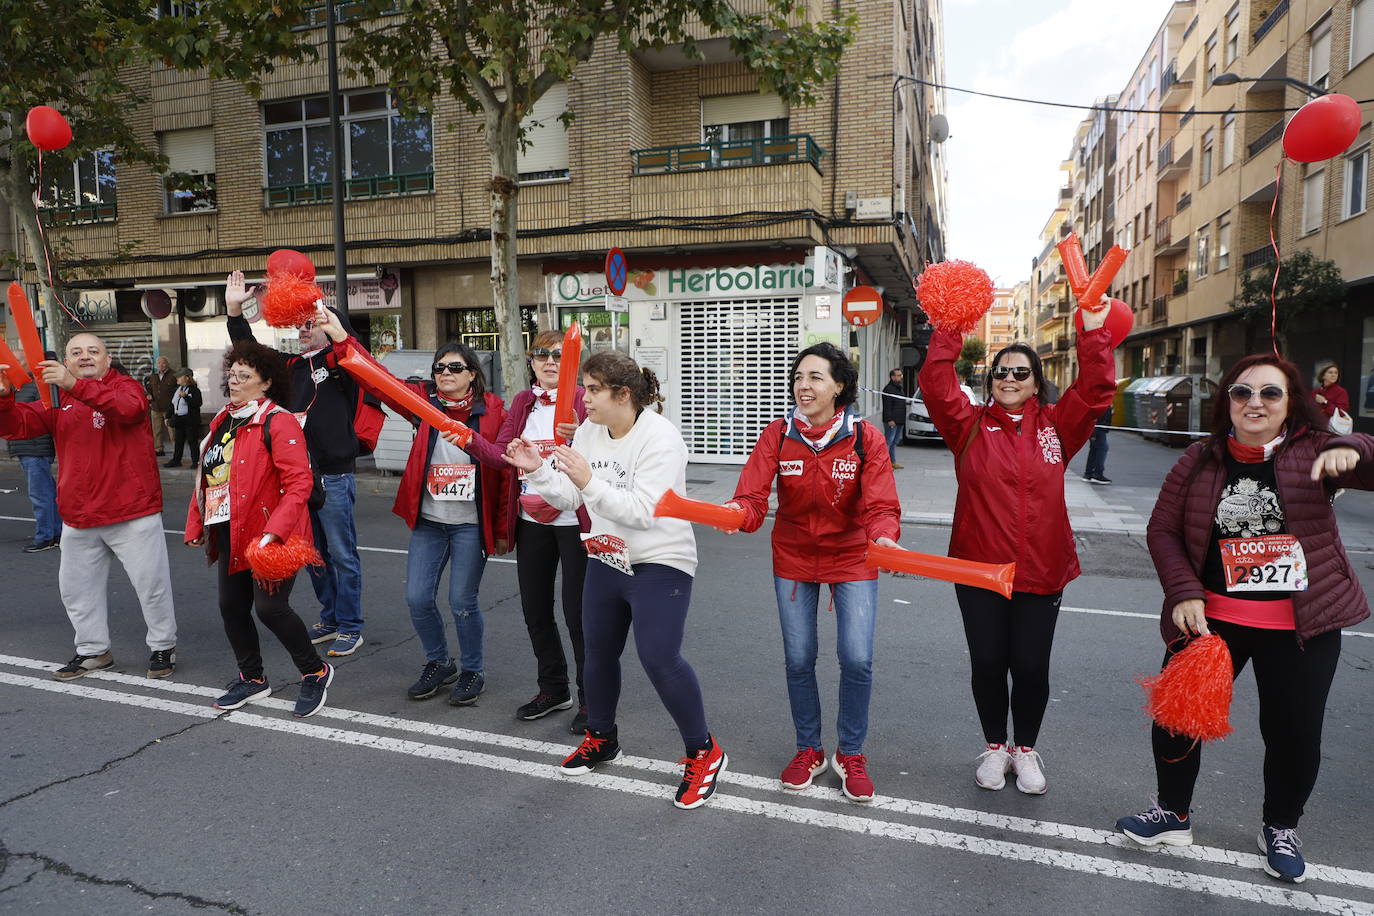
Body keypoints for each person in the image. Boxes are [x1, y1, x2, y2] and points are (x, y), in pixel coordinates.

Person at [1116, 354, 1373, 885]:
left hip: (1303, 627)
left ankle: (1280, 827)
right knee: (1177, 719)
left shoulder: (1315, 450)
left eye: (1269, 394)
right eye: (1241, 392)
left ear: (1290, 405)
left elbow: (1369, 459)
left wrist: (1353, 446)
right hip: (1212, 624)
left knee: (1294, 734)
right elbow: (1162, 529)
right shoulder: (1198, 459)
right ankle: (1173, 813)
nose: (1254, 402)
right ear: (1227, 402)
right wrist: (1183, 590)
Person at [505, 351, 727, 810]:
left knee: (658, 656)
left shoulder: (661, 438)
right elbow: (570, 496)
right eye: (585, 387)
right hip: (606, 557)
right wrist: (540, 470)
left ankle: (704, 750)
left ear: (623, 395)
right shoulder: (589, 431)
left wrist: (588, 482)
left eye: (592, 389)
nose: (583, 398)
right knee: (597, 652)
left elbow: (644, 512)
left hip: (660, 559)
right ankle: (601, 736)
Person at [918, 309, 1114, 795]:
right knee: (987, 663)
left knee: (1029, 667)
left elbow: (1095, 391)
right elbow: (936, 384)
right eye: (1001, 371)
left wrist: (1091, 330)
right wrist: (949, 325)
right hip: (980, 568)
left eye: (1020, 372)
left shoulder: (1057, 427)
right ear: (990, 381)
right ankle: (994, 747)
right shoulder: (966, 425)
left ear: (1036, 382)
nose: (1009, 378)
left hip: (1042, 569)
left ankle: (1024, 750)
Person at [727, 342, 902, 802]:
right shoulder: (778, 434)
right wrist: (737, 514)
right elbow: (752, 496)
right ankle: (809, 748)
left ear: (838, 386)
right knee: (800, 658)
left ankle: (850, 752)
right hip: (794, 557)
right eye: (799, 377)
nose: (803, 386)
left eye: (815, 377)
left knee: (857, 658)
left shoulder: (866, 437)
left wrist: (884, 536)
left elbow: (882, 504)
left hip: (852, 557)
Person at [331, 327, 515, 705]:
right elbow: (380, 381)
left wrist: (499, 529)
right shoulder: (423, 404)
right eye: (438, 368)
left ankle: (472, 670)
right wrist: (339, 335)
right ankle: (439, 662)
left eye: (453, 367)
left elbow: (502, 468)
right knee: (417, 598)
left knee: (462, 602)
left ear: (472, 375)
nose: (444, 374)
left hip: (469, 525)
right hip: (430, 522)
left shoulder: (495, 412)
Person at [0, 333, 178, 680]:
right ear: (66, 361)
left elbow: (127, 411)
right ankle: (93, 651)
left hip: (131, 511)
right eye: (76, 352)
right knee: (76, 590)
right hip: (79, 515)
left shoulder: (126, 387)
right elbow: (16, 426)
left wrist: (73, 385)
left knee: (151, 586)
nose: (84, 357)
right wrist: (4, 398)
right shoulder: (60, 398)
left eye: (93, 351)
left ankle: (162, 646)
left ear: (107, 360)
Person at [225, 270, 372, 658]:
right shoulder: (289, 367)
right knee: (312, 555)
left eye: (313, 322)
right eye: (301, 323)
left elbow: (356, 354)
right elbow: (251, 354)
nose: (305, 329)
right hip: (299, 480)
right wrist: (235, 310)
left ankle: (351, 625)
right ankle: (330, 617)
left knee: (341, 553)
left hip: (335, 474)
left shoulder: (342, 362)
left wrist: (339, 334)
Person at [185, 340, 335, 717]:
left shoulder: (278, 420)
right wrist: (197, 522)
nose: (233, 382)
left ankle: (315, 671)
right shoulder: (224, 418)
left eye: (244, 376)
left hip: (272, 534)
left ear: (266, 382)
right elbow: (209, 477)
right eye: (232, 374)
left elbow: (299, 483)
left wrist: (274, 532)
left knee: (270, 608)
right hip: (229, 529)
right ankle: (252, 678)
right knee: (231, 607)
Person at [489, 330, 591, 733]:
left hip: (575, 521)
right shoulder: (522, 402)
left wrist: (580, 431)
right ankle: (553, 688)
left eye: (558, 356)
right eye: (541, 354)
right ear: (530, 361)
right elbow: (501, 451)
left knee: (578, 615)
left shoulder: (584, 399)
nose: (550, 362)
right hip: (532, 521)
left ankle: (591, 699)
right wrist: (466, 439)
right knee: (535, 610)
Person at [8, 364, 62, 552]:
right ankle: (55, 533)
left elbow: (46, 415)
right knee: (46, 493)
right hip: (28, 447)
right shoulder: (17, 386)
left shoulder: (34, 385)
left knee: (41, 495)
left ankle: (45, 537)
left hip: (35, 448)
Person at [164, 368, 203, 468]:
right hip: (178, 418)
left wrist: (186, 397)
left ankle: (196, 461)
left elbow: (197, 403)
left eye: (179, 377)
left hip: (190, 420)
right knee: (178, 441)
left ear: (187, 378)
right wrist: (167, 416)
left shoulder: (194, 390)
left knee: (192, 441)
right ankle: (176, 460)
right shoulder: (177, 389)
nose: (177, 378)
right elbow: (172, 404)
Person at [145, 356, 176, 456]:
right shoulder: (153, 376)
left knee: (172, 431)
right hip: (155, 407)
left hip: (169, 408)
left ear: (167, 364)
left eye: (163, 363)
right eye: (159, 363)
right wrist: (148, 395)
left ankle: (177, 449)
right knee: (156, 430)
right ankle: (158, 449)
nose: (161, 365)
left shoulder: (173, 375)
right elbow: (149, 388)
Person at [881, 367, 906, 469]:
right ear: (892, 377)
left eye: (901, 375)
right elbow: (887, 406)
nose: (901, 377)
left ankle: (892, 462)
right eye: (899, 375)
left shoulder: (899, 388)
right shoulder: (888, 389)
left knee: (894, 443)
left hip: (899, 420)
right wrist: (890, 419)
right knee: (888, 442)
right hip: (892, 421)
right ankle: (884, 464)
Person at [1312, 362, 1350, 428]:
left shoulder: (1341, 392)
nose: (1333, 375)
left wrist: (1325, 402)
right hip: (1314, 426)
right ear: (1323, 376)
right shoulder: (1315, 392)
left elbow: (1341, 413)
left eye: (1336, 373)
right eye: (1330, 372)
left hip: (1331, 429)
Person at [1082, 406, 1113, 485]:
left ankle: (1089, 473)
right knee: (1102, 449)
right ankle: (1097, 474)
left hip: (1097, 427)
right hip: (1098, 428)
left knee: (1094, 449)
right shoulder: (1102, 399)